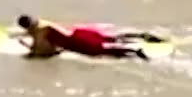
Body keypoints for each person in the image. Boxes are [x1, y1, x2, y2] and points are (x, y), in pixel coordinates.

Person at [14, 15, 166, 61]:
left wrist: (28, 51)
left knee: (103, 51)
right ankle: (141, 37)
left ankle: (134, 52)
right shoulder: (42, 23)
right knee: (111, 39)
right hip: (78, 33)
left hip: (76, 42)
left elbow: (43, 51)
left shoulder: (39, 31)